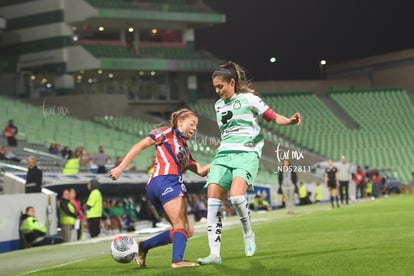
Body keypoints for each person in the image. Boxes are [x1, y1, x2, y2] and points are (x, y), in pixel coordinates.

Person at [197, 61, 302, 265]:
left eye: (221, 86)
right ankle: (214, 254)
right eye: (215, 87)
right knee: (212, 200)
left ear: (232, 82)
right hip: (224, 155)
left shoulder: (249, 99)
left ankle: (248, 233)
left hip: (247, 153)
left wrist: (289, 121)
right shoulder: (218, 105)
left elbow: (273, 117)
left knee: (236, 197)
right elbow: (227, 136)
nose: (218, 91)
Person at [109, 108, 210, 269]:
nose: (195, 128)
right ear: (180, 122)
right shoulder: (167, 132)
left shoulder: (185, 150)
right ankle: (177, 261)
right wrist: (120, 168)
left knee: (187, 230)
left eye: (196, 126)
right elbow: (140, 145)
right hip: (166, 181)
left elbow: (201, 171)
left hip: (156, 186)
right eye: (192, 124)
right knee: (180, 226)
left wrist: (223, 159)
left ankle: (144, 246)